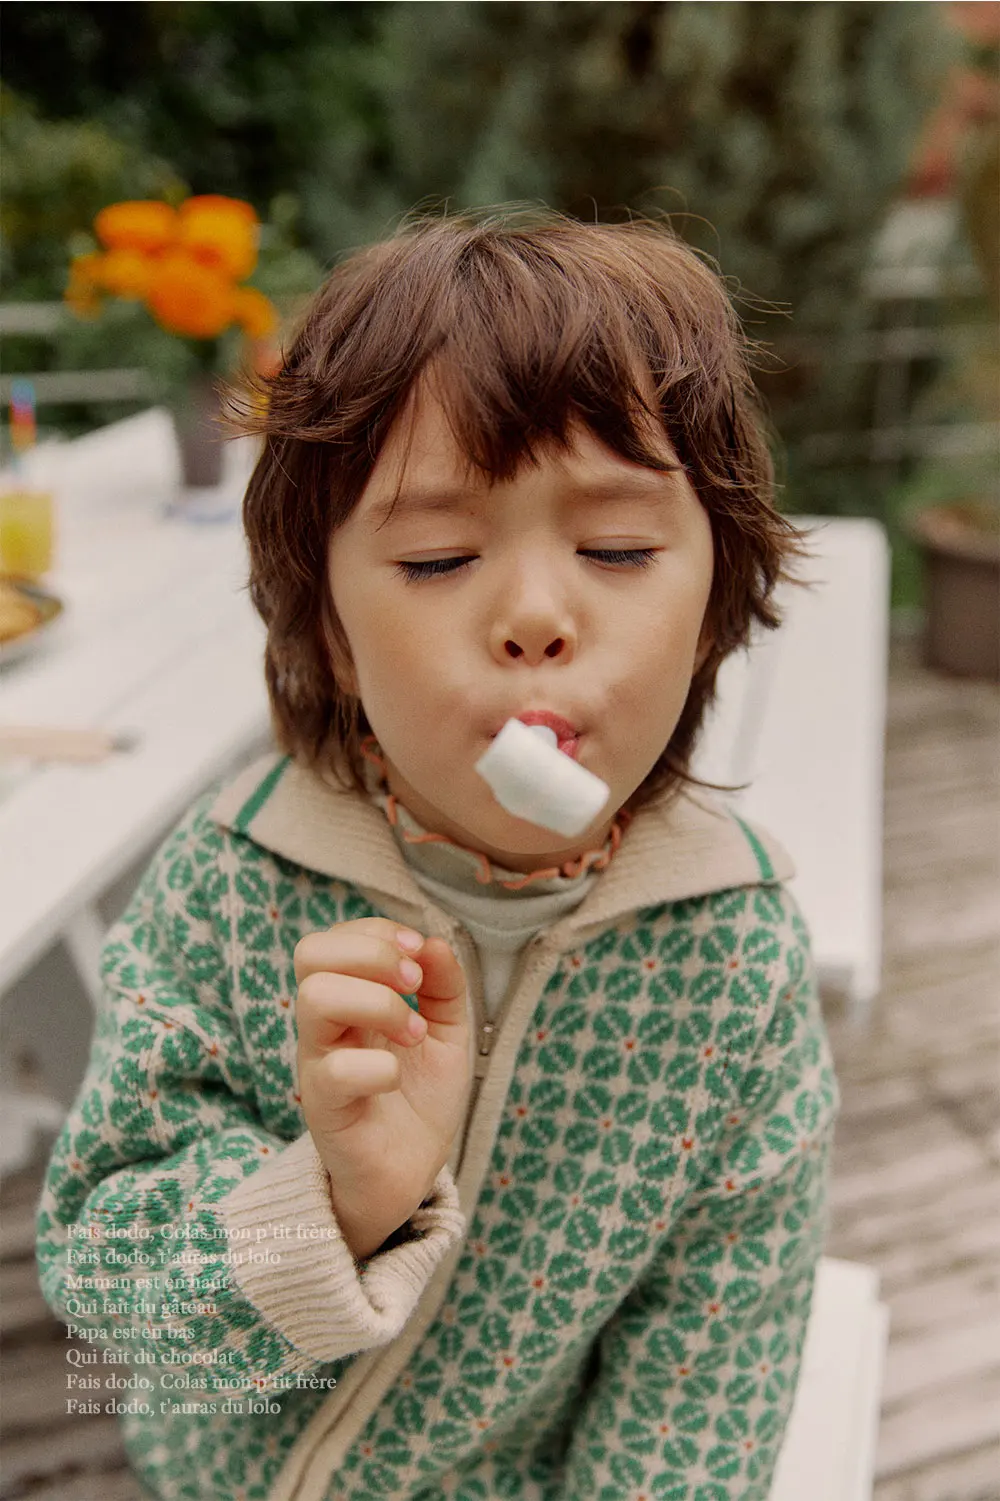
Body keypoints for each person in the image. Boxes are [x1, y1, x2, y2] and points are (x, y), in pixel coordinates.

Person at [37, 208, 838, 1501]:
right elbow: (115, 1319)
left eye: (621, 549)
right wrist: (336, 1201)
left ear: (712, 609)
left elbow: (706, 1385)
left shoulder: (732, 961)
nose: (531, 615)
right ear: (336, 634)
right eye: (438, 556)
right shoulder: (237, 886)